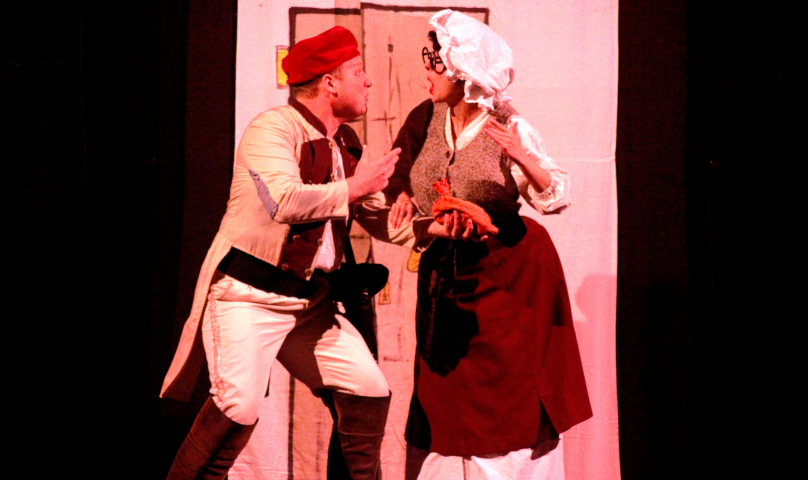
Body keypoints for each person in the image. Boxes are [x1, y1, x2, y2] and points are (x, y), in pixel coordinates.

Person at [160, 26, 423, 480]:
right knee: (237, 406)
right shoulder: (272, 129)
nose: (368, 81)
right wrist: (355, 187)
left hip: (307, 305)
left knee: (367, 389)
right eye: (358, 71)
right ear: (329, 83)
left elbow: (381, 219)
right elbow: (283, 200)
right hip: (248, 296)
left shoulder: (346, 144)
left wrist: (439, 227)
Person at [384, 10, 593, 480]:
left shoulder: (508, 124)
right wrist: (402, 197)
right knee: (443, 391)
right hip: (446, 273)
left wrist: (524, 159)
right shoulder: (425, 117)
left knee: (506, 393)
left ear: (463, 70)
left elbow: (555, 196)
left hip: (507, 273)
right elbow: (400, 172)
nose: (427, 70)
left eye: (435, 61)